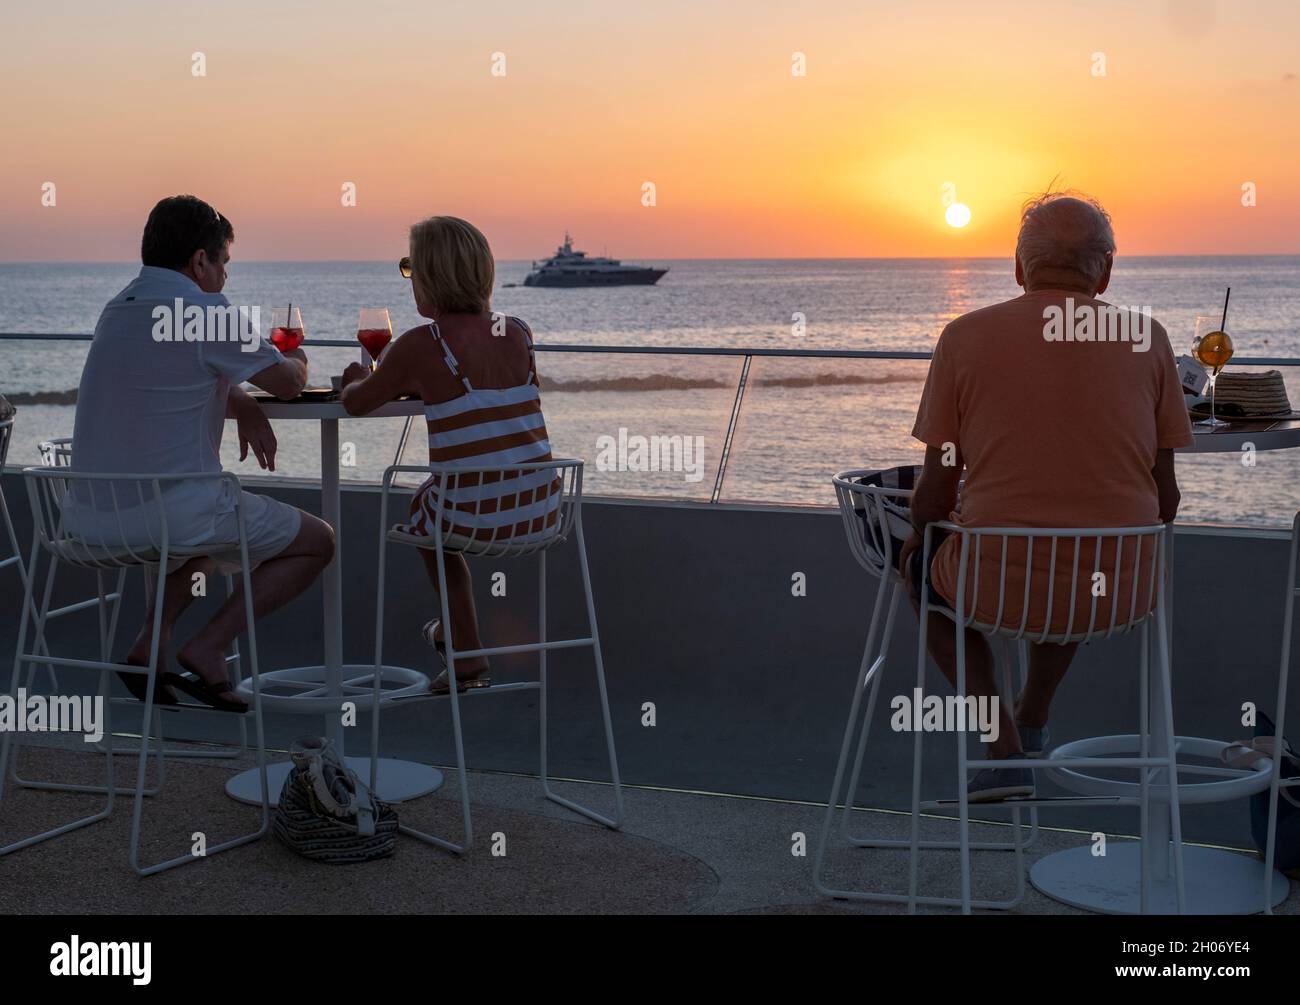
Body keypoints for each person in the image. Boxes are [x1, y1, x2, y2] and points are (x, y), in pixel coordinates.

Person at [901, 191, 1193, 801]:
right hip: (1121, 588)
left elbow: (934, 493)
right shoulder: (1150, 339)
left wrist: (921, 535)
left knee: (924, 579)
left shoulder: (965, 337)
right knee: (1071, 555)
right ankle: (1033, 717)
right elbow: (1165, 501)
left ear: (1018, 267)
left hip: (995, 582)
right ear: (1106, 272)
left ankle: (1003, 751)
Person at [70, 195, 335, 712]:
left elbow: (160, 381)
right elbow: (284, 383)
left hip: (88, 518)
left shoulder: (117, 309)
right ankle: (210, 644)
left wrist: (237, 398)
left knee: (200, 541)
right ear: (199, 261)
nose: (225, 279)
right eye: (224, 264)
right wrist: (298, 358)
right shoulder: (204, 311)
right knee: (317, 541)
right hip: (166, 514)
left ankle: (151, 644)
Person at [341, 215, 556, 693]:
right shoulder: (518, 331)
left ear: (432, 275)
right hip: (542, 508)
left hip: (471, 515)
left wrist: (354, 377)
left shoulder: (422, 344)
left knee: (426, 513)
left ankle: (465, 646)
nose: (410, 279)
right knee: (442, 509)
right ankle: (461, 644)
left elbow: (357, 404)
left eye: (411, 268)